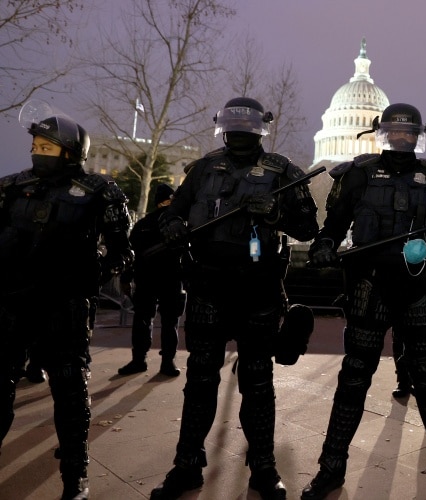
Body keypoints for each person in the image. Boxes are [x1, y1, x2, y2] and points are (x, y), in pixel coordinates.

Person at [301, 103, 426, 500]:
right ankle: (330, 468)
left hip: (418, 292)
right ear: (382, 132)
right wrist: (322, 245)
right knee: (353, 381)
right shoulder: (357, 173)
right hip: (370, 288)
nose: (402, 138)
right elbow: (333, 226)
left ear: (418, 135)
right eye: (396, 132)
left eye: (409, 133)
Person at [150, 97, 320, 500]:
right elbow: (174, 210)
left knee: (258, 384)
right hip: (208, 287)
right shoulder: (204, 168)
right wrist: (172, 224)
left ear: (259, 129)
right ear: (223, 128)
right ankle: (187, 464)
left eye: (246, 127)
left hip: (257, 290)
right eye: (233, 127)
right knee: (200, 381)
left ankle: (263, 466)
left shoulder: (284, 172)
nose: (239, 134)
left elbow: (309, 226)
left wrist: (276, 215)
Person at [0, 110, 133, 500]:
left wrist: (98, 270)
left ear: (72, 152)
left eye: (47, 147)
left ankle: (75, 476)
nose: (38, 153)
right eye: (35, 147)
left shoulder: (101, 191)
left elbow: (122, 249)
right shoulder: (11, 186)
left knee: (70, 393)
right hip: (11, 305)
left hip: (65, 307)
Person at [118, 183, 187, 377]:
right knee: (170, 323)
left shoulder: (142, 224)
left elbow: (130, 255)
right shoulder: (179, 223)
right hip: (172, 280)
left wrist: (126, 279)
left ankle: (139, 360)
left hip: (145, 279)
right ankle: (168, 363)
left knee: (142, 320)